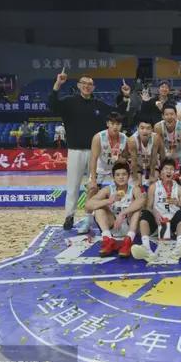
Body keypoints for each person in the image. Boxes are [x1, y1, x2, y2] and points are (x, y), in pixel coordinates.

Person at [49, 68, 111, 231]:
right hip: (75, 151)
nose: (87, 86)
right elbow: (52, 106)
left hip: (95, 153)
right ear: (78, 85)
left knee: (93, 187)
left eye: (90, 84)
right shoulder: (69, 102)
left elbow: (116, 114)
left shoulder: (99, 105)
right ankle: (69, 216)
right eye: (84, 83)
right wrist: (57, 84)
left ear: (94, 87)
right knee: (73, 186)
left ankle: (91, 217)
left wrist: (125, 97)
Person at [132, 158, 181, 261]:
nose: (169, 171)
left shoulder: (178, 188)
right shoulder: (153, 187)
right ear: (161, 173)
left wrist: (177, 203)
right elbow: (149, 206)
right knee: (145, 213)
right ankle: (146, 248)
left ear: (174, 172)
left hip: (172, 223)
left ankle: (179, 248)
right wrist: (155, 213)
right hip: (157, 222)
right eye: (166, 169)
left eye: (171, 169)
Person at [84, 162, 145, 258]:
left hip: (129, 225)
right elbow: (88, 205)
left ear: (128, 176)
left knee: (137, 210)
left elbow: (141, 201)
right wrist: (108, 201)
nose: (121, 177)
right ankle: (108, 239)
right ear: (113, 177)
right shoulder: (108, 189)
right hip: (113, 225)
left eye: (124, 174)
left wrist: (123, 213)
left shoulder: (134, 189)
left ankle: (128, 241)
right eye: (118, 175)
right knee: (99, 209)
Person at [88, 112, 128, 200]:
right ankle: (89, 209)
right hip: (100, 168)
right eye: (112, 124)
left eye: (118, 124)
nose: (115, 127)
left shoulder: (124, 138)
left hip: (114, 169)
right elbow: (93, 159)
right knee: (92, 189)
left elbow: (125, 157)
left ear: (121, 125)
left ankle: (119, 206)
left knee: (123, 188)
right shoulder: (98, 137)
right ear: (107, 124)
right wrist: (93, 180)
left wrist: (123, 159)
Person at [154, 103, 181, 183]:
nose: (169, 117)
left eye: (172, 114)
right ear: (162, 116)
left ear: (176, 115)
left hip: (180, 152)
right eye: (166, 114)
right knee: (164, 175)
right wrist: (162, 168)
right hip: (165, 151)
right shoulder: (158, 127)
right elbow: (159, 149)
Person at [127, 117, 160, 189]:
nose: (145, 131)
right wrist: (135, 179)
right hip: (138, 164)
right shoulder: (132, 140)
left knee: (153, 184)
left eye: (148, 128)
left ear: (152, 130)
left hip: (151, 163)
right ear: (137, 129)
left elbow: (154, 157)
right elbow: (134, 161)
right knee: (138, 185)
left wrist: (152, 175)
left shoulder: (156, 138)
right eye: (142, 128)